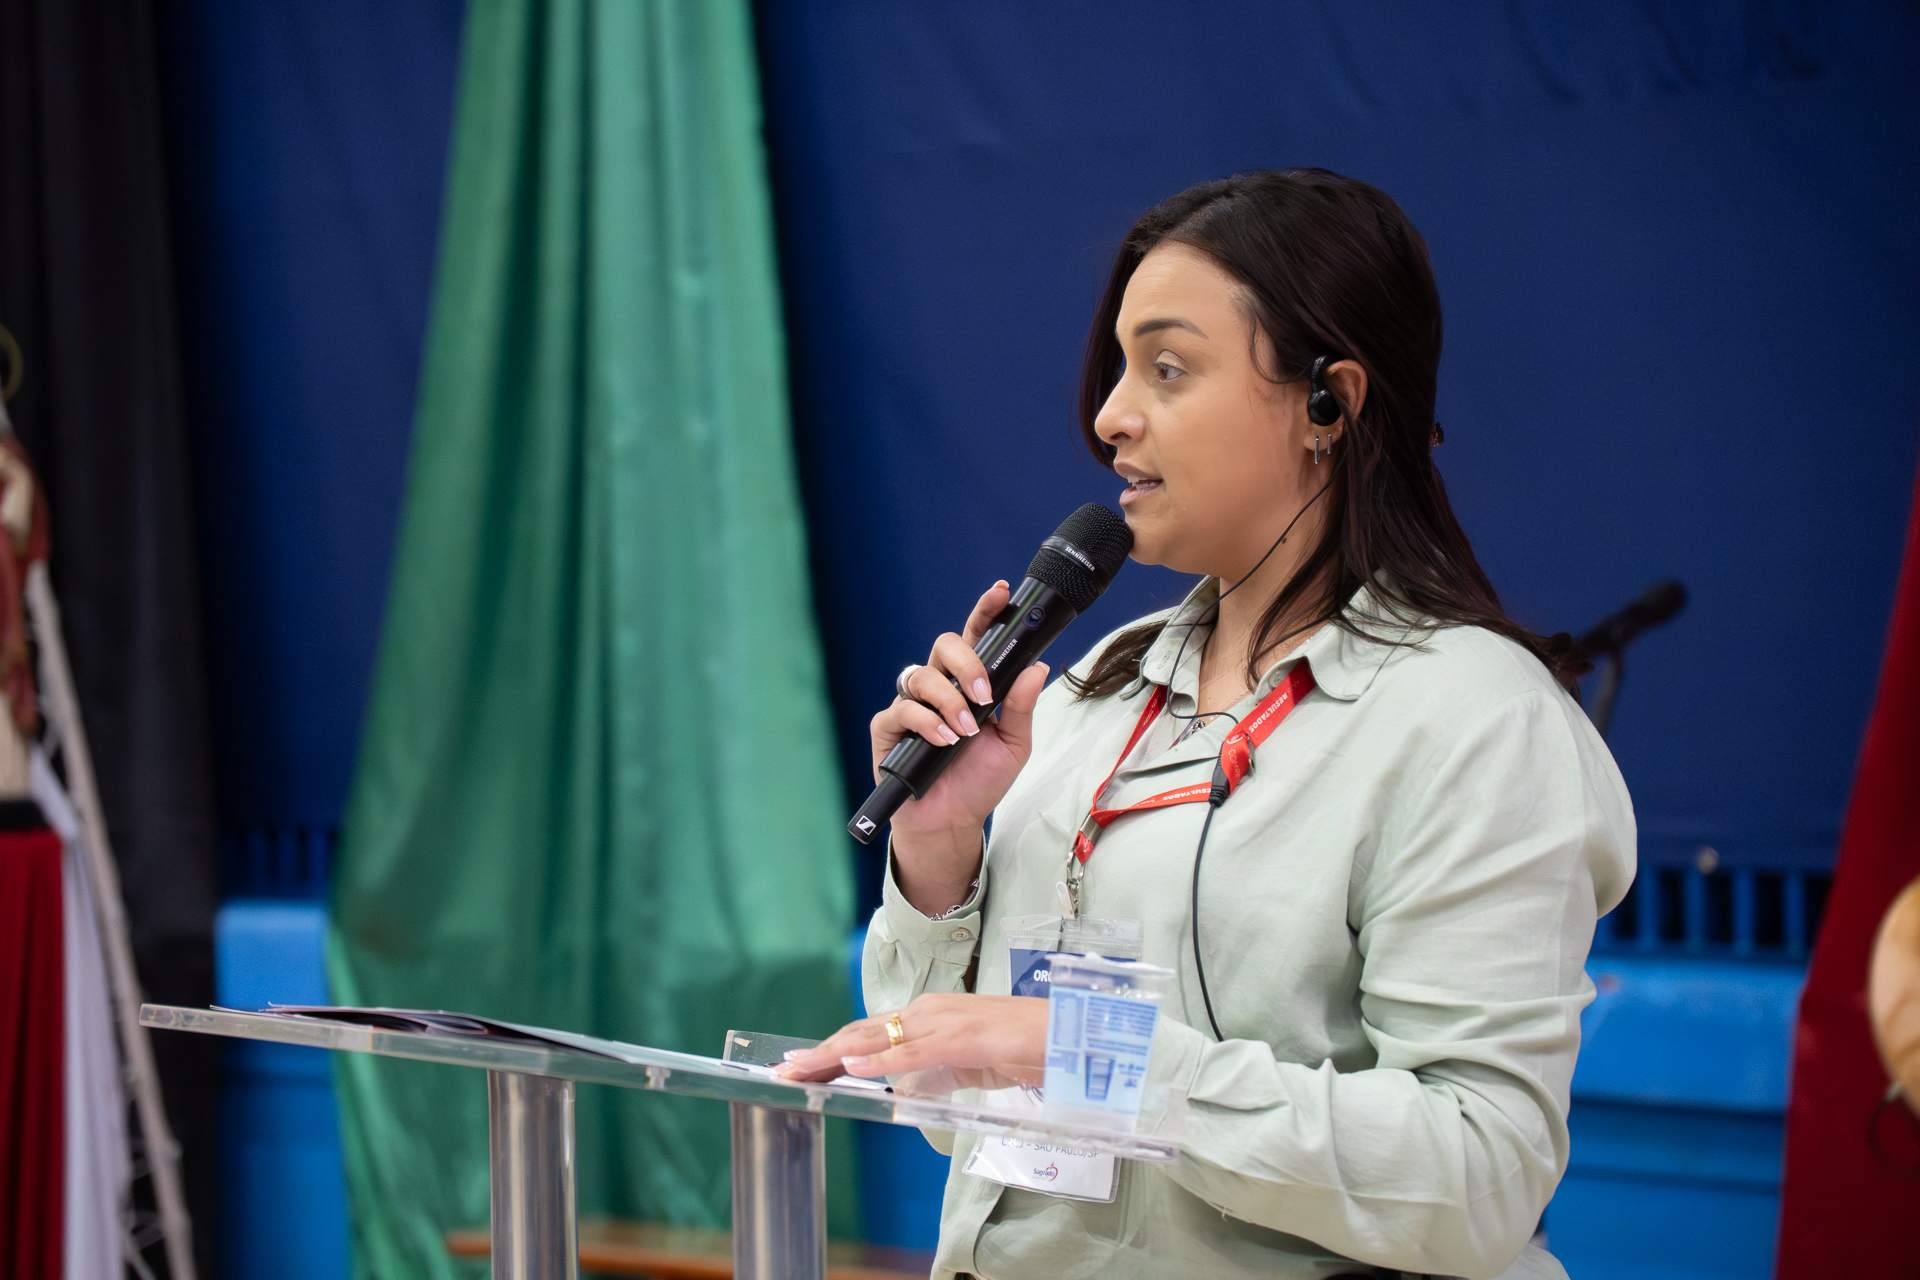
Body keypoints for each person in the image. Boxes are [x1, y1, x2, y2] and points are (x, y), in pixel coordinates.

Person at [780, 169, 1635, 1280]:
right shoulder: (1090, 692)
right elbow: (955, 1105)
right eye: (1119, 368)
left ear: (1329, 404)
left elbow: (1480, 1175)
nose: (1109, 416)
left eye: (1168, 368)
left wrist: (1104, 1061)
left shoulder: (1477, 721)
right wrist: (939, 849)